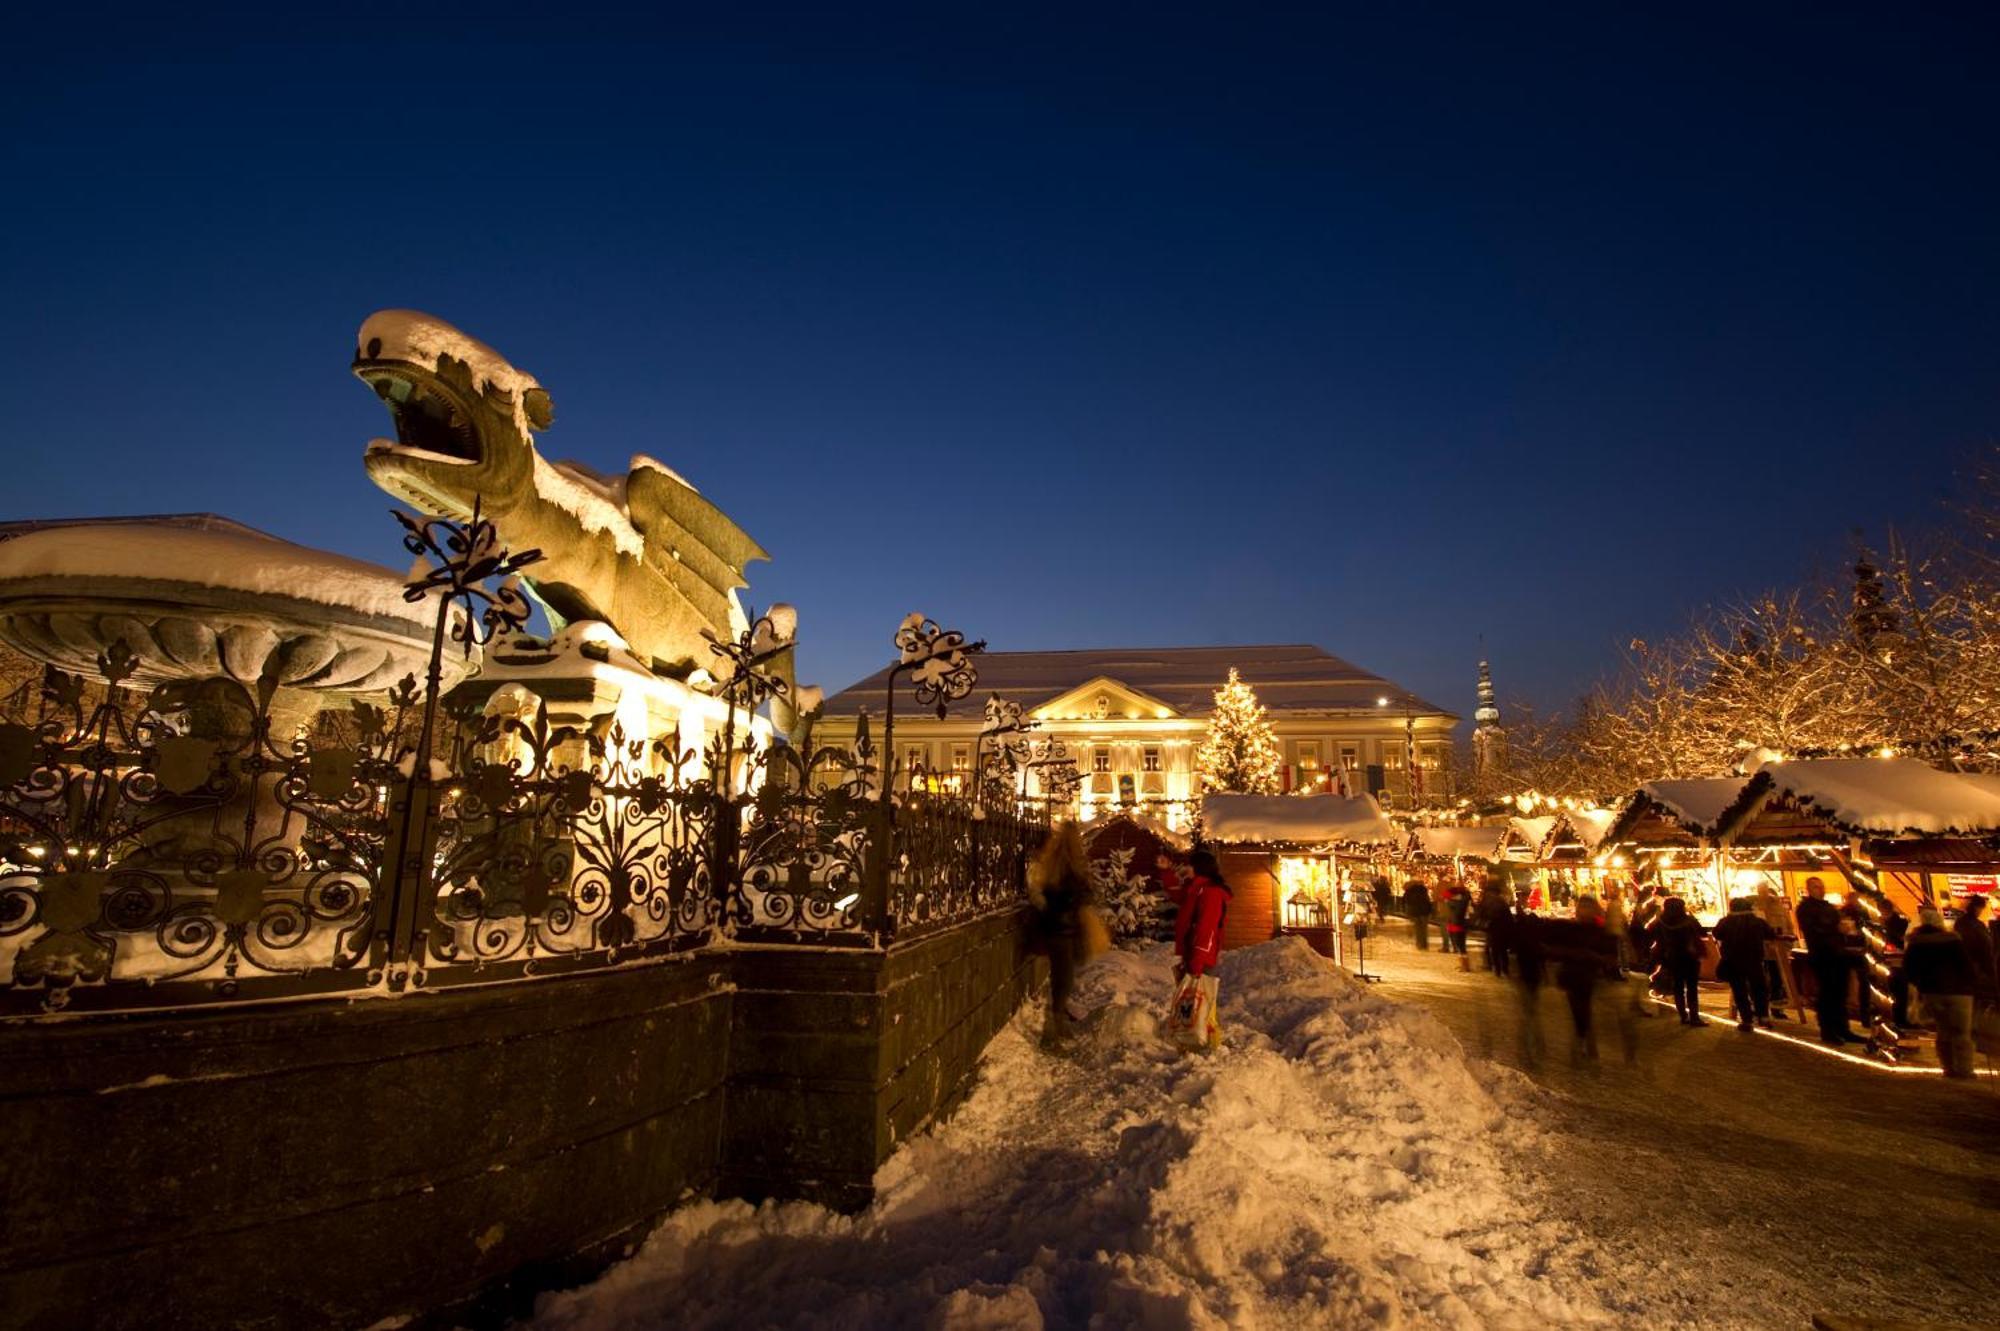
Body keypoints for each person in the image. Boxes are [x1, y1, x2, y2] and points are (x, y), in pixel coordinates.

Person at [1027, 821, 1092, 1047]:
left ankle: (1057, 1026)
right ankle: (1052, 1031)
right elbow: (1076, 896)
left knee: (1059, 978)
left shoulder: (1052, 861)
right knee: (1063, 980)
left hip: (1052, 927)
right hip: (1064, 929)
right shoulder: (1072, 866)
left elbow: (1043, 890)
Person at [1163, 848, 1232, 1050]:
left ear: (1200, 868)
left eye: (1189, 865)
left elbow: (1207, 928)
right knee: (1194, 999)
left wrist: (1197, 959)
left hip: (1200, 955)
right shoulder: (1196, 888)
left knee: (1203, 999)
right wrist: (1166, 873)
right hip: (1192, 952)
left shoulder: (1211, 893)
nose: (1185, 869)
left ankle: (1208, 1041)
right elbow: (1178, 895)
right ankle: (1193, 1037)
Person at [1902, 906, 1977, 1078]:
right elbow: (1965, 965)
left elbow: (1909, 969)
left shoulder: (1916, 943)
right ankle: (1965, 1069)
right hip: (1960, 992)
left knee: (1943, 1031)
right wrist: (1972, 983)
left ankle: (1948, 1067)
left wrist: (1921, 985)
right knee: (1962, 1032)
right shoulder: (1952, 940)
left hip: (1933, 992)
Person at [1544, 895, 1617, 1065]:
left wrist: (1597, 958)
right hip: (1573, 975)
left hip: (1587, 975)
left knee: (1582, 1007)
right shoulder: (1570, 929)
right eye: (1582, 907)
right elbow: (1555, 947)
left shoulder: (1598, 931)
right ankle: (1583, 1039)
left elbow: (1607, 954)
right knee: (1579, 1008)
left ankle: (1583, 1039)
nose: (1584, 911)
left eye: (1587, 907)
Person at [1795, 877, 1855, 1045]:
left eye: (1821, 886)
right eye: (1816, 887)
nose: (1820, 889)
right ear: (1809, 889)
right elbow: (1813, 929)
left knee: (1840, 992)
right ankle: (1828, 1030)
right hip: (1822, 954)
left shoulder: (1828, 907)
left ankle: (1843, 1028)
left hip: (1838, 953)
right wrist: (1835, 928)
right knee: (1827, 992)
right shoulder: (1805, 908)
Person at [1711, 897, 1777, 1031]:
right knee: (1759, 989)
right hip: (1754, 960)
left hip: (1733, 961)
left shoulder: (1725, 922)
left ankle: (1747, 1020)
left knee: (1739, 990)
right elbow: (1770, 934)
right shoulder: (1757, 921)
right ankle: (1763, 1016)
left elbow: (1716, 934)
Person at [1655, 897, 1709, 1026]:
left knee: (1678, 987)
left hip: (1672, 957)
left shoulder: (1660, 922)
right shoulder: (1689, 920)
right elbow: (1703, 933)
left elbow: (1658, 940)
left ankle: (1683, 1016)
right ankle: (1694, 1017)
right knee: (1691, 987)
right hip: (1690, 957)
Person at [1753, 883, 1794, 1006]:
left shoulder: (1778, 907)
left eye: (1764, 891)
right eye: (1761, 892)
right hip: (1761, 951)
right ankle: (1765, 1006)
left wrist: (1788, 945)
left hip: (1776, 950)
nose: (1763, 894)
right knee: (1766, 979)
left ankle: (1775, 1006)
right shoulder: (1755, 908)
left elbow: (1788, 926)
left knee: (1776, 978)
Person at [1954, 896, 1998, 1008]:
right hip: (1976, 968)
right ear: (1977, 908)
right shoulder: (1977, 926)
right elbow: (1986, 949)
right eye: (1982, 908)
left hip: (1961, 967)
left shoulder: (1959, 923)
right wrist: (1991, 972)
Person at [1478, 880, 1513, 977]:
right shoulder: (1502, 901)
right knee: (1502, 950)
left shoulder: (1486, 901)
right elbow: (1508, 916)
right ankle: (1505, 970)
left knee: (1494, 950)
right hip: (1502, 928)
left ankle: (1497, 970)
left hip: (1492, 928)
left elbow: (1481, 914)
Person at [1442, 881, 1472, 964]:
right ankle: (1463, 963)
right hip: (1458, 922)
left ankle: (1465, 964)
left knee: (1460, 944)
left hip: (1458, 923)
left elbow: (1445, 895)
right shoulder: (1465, 898)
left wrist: (1449, 900)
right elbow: (1446, 894)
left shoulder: (1456, 902)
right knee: (1460, 944)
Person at [1402, 878, 1434, 950]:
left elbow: (1407, 902)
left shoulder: (1409, 891)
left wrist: (1409, 913)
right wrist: (1430, 910)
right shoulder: (1424, 890)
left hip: (1415, 912)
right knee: (1424, 929)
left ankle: (1419, 944)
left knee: (1418, 929)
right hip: (1424, 912)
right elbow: (1427, 901)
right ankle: (1425, 944)